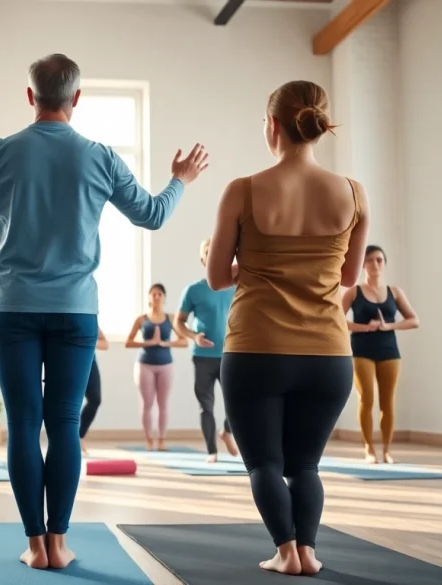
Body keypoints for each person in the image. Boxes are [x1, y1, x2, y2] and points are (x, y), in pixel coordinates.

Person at [0, 53, 207, 570]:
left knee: (23, 423)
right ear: (76, 98)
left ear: (30, 96)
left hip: (13, 310)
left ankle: (35, 546)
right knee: (64, 422)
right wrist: (180, 180)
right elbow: (153, 214)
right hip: (76, 313)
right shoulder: (100, 157)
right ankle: (59, 542)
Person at [206, 80, 370, 576]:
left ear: (273, 125)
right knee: (305, 466)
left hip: (256, 351)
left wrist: (252, 266)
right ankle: (309, 552)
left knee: (265, 465)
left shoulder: (242, 190)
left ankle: (285, 551)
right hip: (328, 355)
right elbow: (349, 276)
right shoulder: (353, 193)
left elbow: (217, 278)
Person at [342, 245, 419, 464]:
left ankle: (386, 450)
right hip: (361, 351)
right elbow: (335, 319)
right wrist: (363, 327)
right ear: (363, 264)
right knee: (366, 399)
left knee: (388, 402)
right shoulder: (354, 292)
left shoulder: (395, 292)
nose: (375, 264)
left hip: (389, 352)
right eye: (370, 260)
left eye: (379, 260)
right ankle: (369, 449)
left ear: (384, 263)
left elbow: (414, 320)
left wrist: (388, 326)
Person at [173, 239, 240, 462]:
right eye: (207, 252)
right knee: (206, 406)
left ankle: (227, 432)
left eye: (216, 252)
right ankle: (212, 451)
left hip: (230, 355)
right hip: (202, 357)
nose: (212, 255)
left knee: (238, 403)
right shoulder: (193, 290)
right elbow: (178, 322)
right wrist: (194, 336)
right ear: (203, 259)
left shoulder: (236, 287)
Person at [125, 284, 186, 451]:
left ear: (164, 297)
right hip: (144, 365)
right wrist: (149, 343)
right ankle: (148, 440)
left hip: (166, 365)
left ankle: (162, 440)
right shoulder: (141, 319)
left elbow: (184, 341)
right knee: (147, 403)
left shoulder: (171, 318)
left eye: (160, 294)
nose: (157, 296)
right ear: (149, 297)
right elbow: (128, 342)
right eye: (153, 294)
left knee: (163, 403)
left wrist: (165, 343)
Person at [78, 328, 108, 455]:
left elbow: (105, 344)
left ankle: (80, 436)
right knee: (69, 403)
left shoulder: (90, 320)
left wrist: (89, 341)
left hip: (89, 362)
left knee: (95, 399)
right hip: (67, 360)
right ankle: (69, 440)